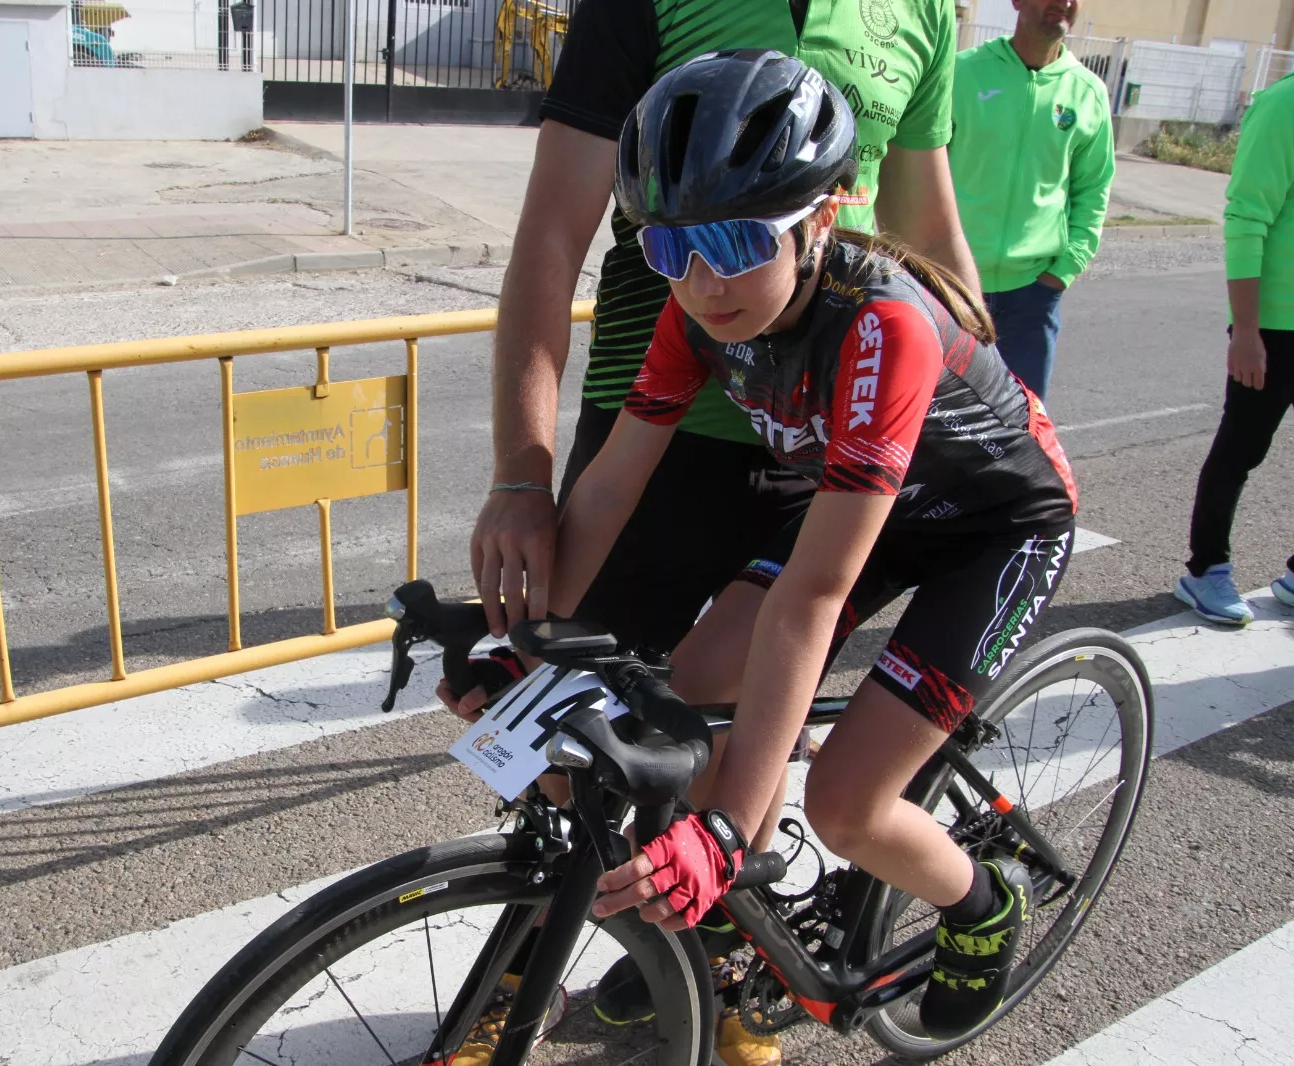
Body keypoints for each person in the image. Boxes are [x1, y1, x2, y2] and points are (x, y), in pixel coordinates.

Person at [448, 52, 1080, 1066]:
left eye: (742, 240)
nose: (705, 283)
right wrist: (519, 644)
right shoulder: (696, 309)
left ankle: (980, 895)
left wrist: (735, 824)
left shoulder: (884, 328)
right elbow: (608, 490)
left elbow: (811, 600)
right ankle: (731, 931)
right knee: (692, 688)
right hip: (871, 499)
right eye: (671, 248)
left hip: (992, 529)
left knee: (843, 803)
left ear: (825, 213)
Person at [471, 0, 980, 660]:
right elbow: (552, 238)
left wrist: (984, 419)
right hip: (654, 437)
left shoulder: (925, 9)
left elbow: (928, 232)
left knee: (742, 726)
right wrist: (520, 475)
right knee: (566, 722)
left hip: (822, 436)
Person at [948, 0, 1115, 400]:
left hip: (1032, 296)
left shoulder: (1088, 92)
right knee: (938, 426)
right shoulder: (962, 73)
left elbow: (1093, 188)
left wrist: (1063, 270)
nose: (1065, 3)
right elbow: (920, 167)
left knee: (1021, 430)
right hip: (953, 286)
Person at [1175, 71, 1294, 625]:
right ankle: (1206, 571)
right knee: (1241, 449)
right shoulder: (1283, 104)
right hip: (1275, 326)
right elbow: (1247, 218)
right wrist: (1246, 331)